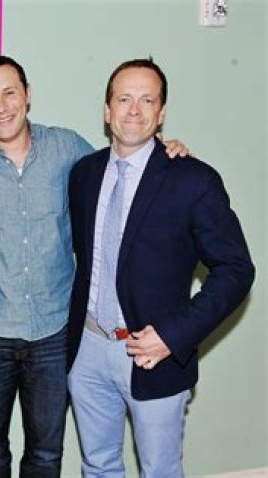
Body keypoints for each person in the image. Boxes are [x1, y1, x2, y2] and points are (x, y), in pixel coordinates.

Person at [0, 55, 189, 477]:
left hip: (55, 333)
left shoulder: (69, 149)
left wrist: (167, 150)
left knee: (46, 452)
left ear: (28, 95)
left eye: (9, 93)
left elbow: (125, 169)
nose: (1, 107)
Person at [67, 58, 254, 477]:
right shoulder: (84, 174)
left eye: (147, 100)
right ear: (107, 110)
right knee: (97, 466)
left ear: (162, 112)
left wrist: (173, 335)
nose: (134, 110)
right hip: (88, 349)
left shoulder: (193, 180)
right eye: (124, 99)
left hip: (155, 354)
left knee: (160, 470)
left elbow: (236, 269)